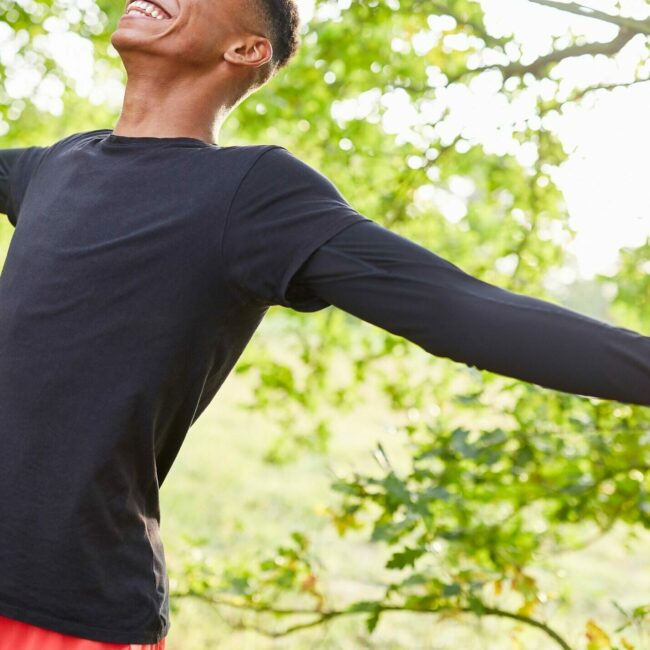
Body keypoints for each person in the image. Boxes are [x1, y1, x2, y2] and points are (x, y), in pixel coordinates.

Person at [0, 0, 648, 647]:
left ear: (247, 50)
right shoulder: (56, 165)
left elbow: (463, 311)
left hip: (61, 611)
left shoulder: (254, 195)